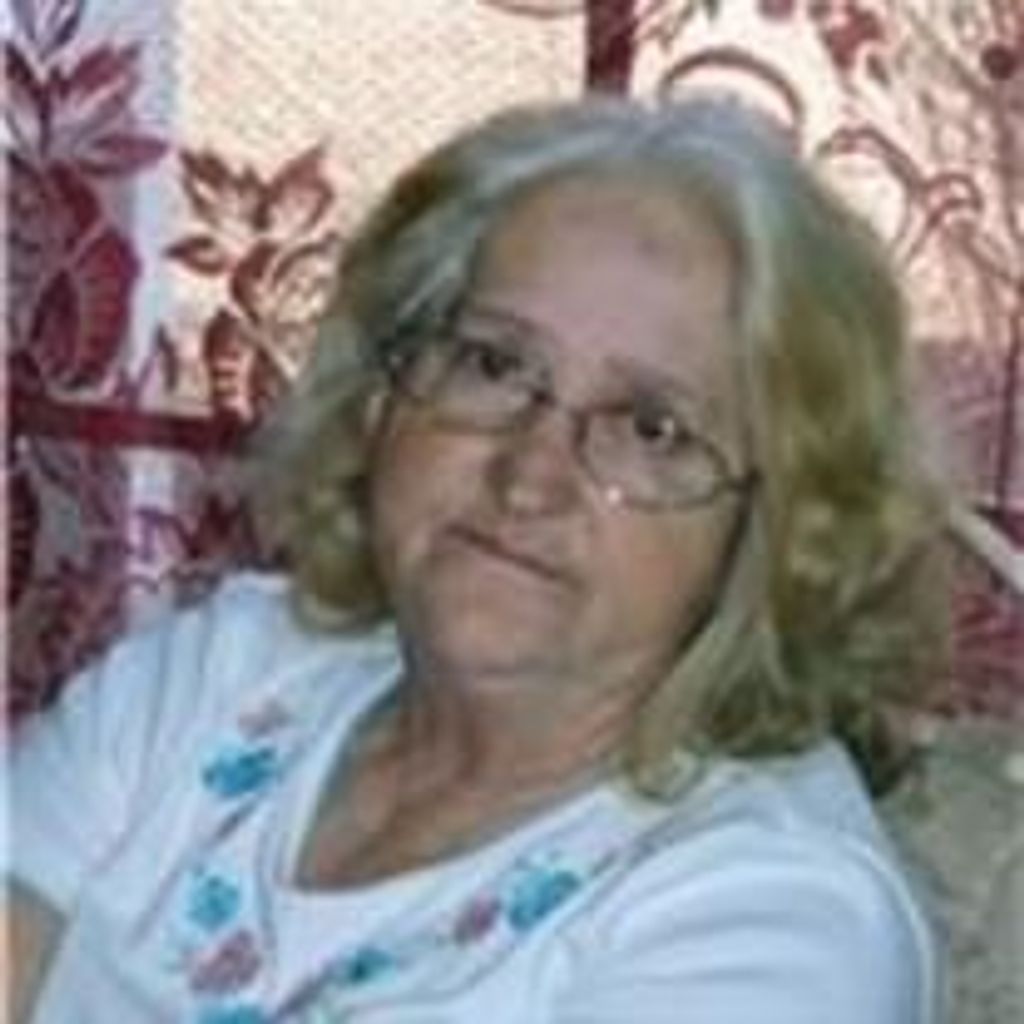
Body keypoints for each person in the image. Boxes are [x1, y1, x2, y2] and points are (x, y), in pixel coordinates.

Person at [6, 94, 949, 1023]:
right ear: (380, 396)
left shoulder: (780, 922)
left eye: (649, 428)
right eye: (494, 364)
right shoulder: (225, 675)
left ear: (777, 526)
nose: (529, 476)